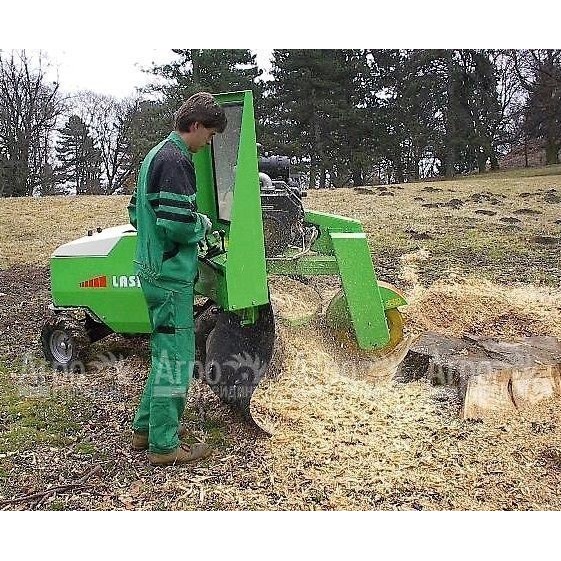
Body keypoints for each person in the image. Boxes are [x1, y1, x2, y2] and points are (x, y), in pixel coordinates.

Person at [127, 92, 227, 466]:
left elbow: (136, 211)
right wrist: (201, 224)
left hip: (152, 267)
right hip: (169, 277)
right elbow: (178, 224)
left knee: (163, 353)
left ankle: (145, 430)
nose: (209, 143)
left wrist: (157, 240)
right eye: (210, 135)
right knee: (177, 359)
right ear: (196, 125)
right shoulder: (176, 161)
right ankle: (165, 446)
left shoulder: (156, 154)